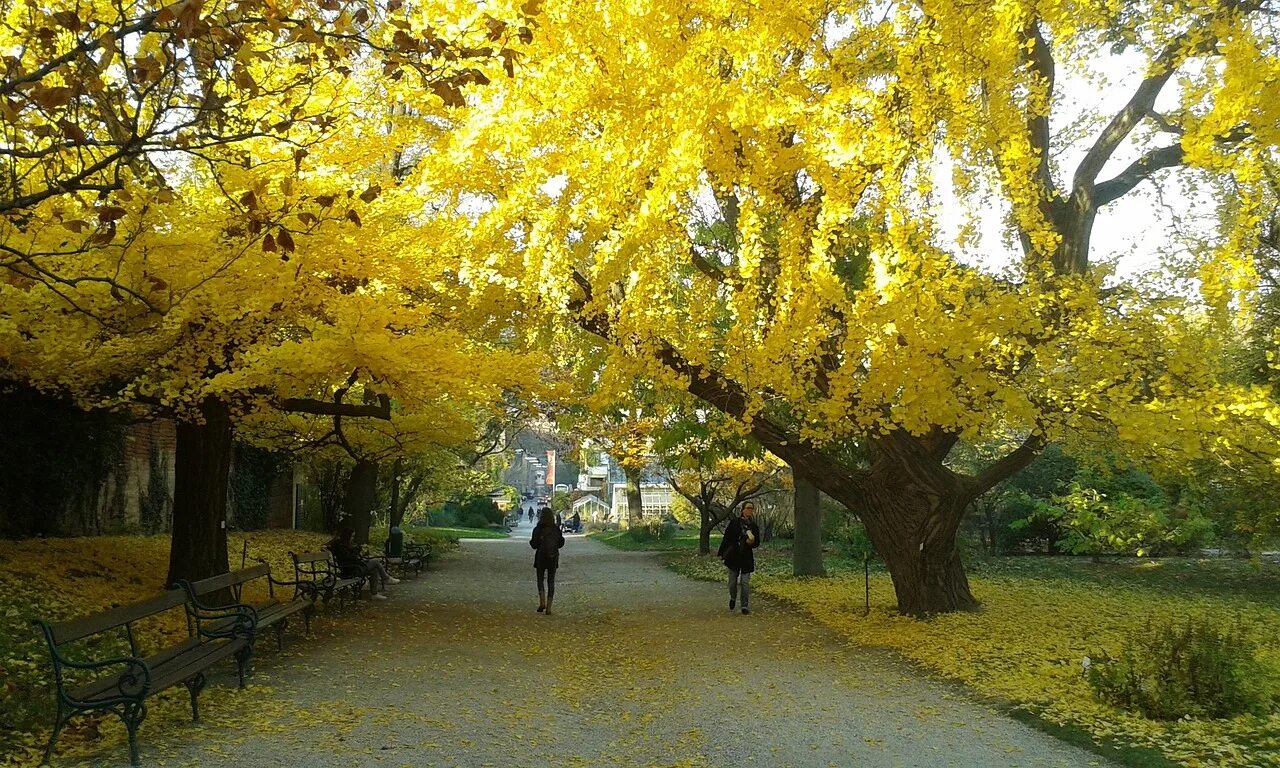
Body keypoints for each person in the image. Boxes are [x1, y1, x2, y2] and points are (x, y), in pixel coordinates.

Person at [327, 527, 399, 601]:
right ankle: (386, 578)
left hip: (355, 567)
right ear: (346, 536)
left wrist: (358, 553)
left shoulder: (345, 545)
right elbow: (348, 559)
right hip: (351, 570)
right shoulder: (341, 547)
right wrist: (355, 551)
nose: (352, 538)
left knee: (374, 570)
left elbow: (352, 558)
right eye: (352, 536)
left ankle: (374, 594)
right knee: (376, 562)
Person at [717, 502, 761, 614]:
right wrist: (722, 553)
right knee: (732, 583)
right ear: (743, 510)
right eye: (748, 508)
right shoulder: (735, 523)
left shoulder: (753, 525)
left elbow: (757, 543)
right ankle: (733, 598)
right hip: (734, 556)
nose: (750, 510)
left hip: (746, 557)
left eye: (752, 508)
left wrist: (751, 542)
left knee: (745, 583)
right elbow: (727, 538)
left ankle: (744, 606)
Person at [530, 506, 565, 614]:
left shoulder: (538, 529)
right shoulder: (555, 529)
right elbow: (560, 543)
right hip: (553, 556)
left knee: (540, 579)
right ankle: (549, 607)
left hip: (541, 556)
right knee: (551, 581)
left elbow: (534, 545)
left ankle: (542, 601)